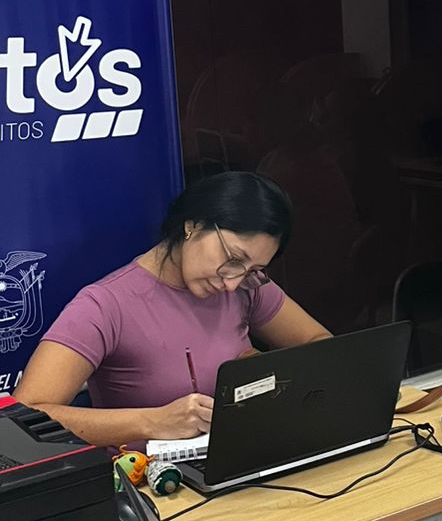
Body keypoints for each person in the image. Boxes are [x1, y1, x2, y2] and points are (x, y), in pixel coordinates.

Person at [18, 171, 330, 448]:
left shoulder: (247, 287)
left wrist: (270, 372)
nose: (232, 283)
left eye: (253, 270)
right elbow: (23, 419)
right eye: (233, 259)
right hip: (150, 482)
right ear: (193, 224)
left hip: (244, 462)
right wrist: (153, 422)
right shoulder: (105, 305)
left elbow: (324, 348)